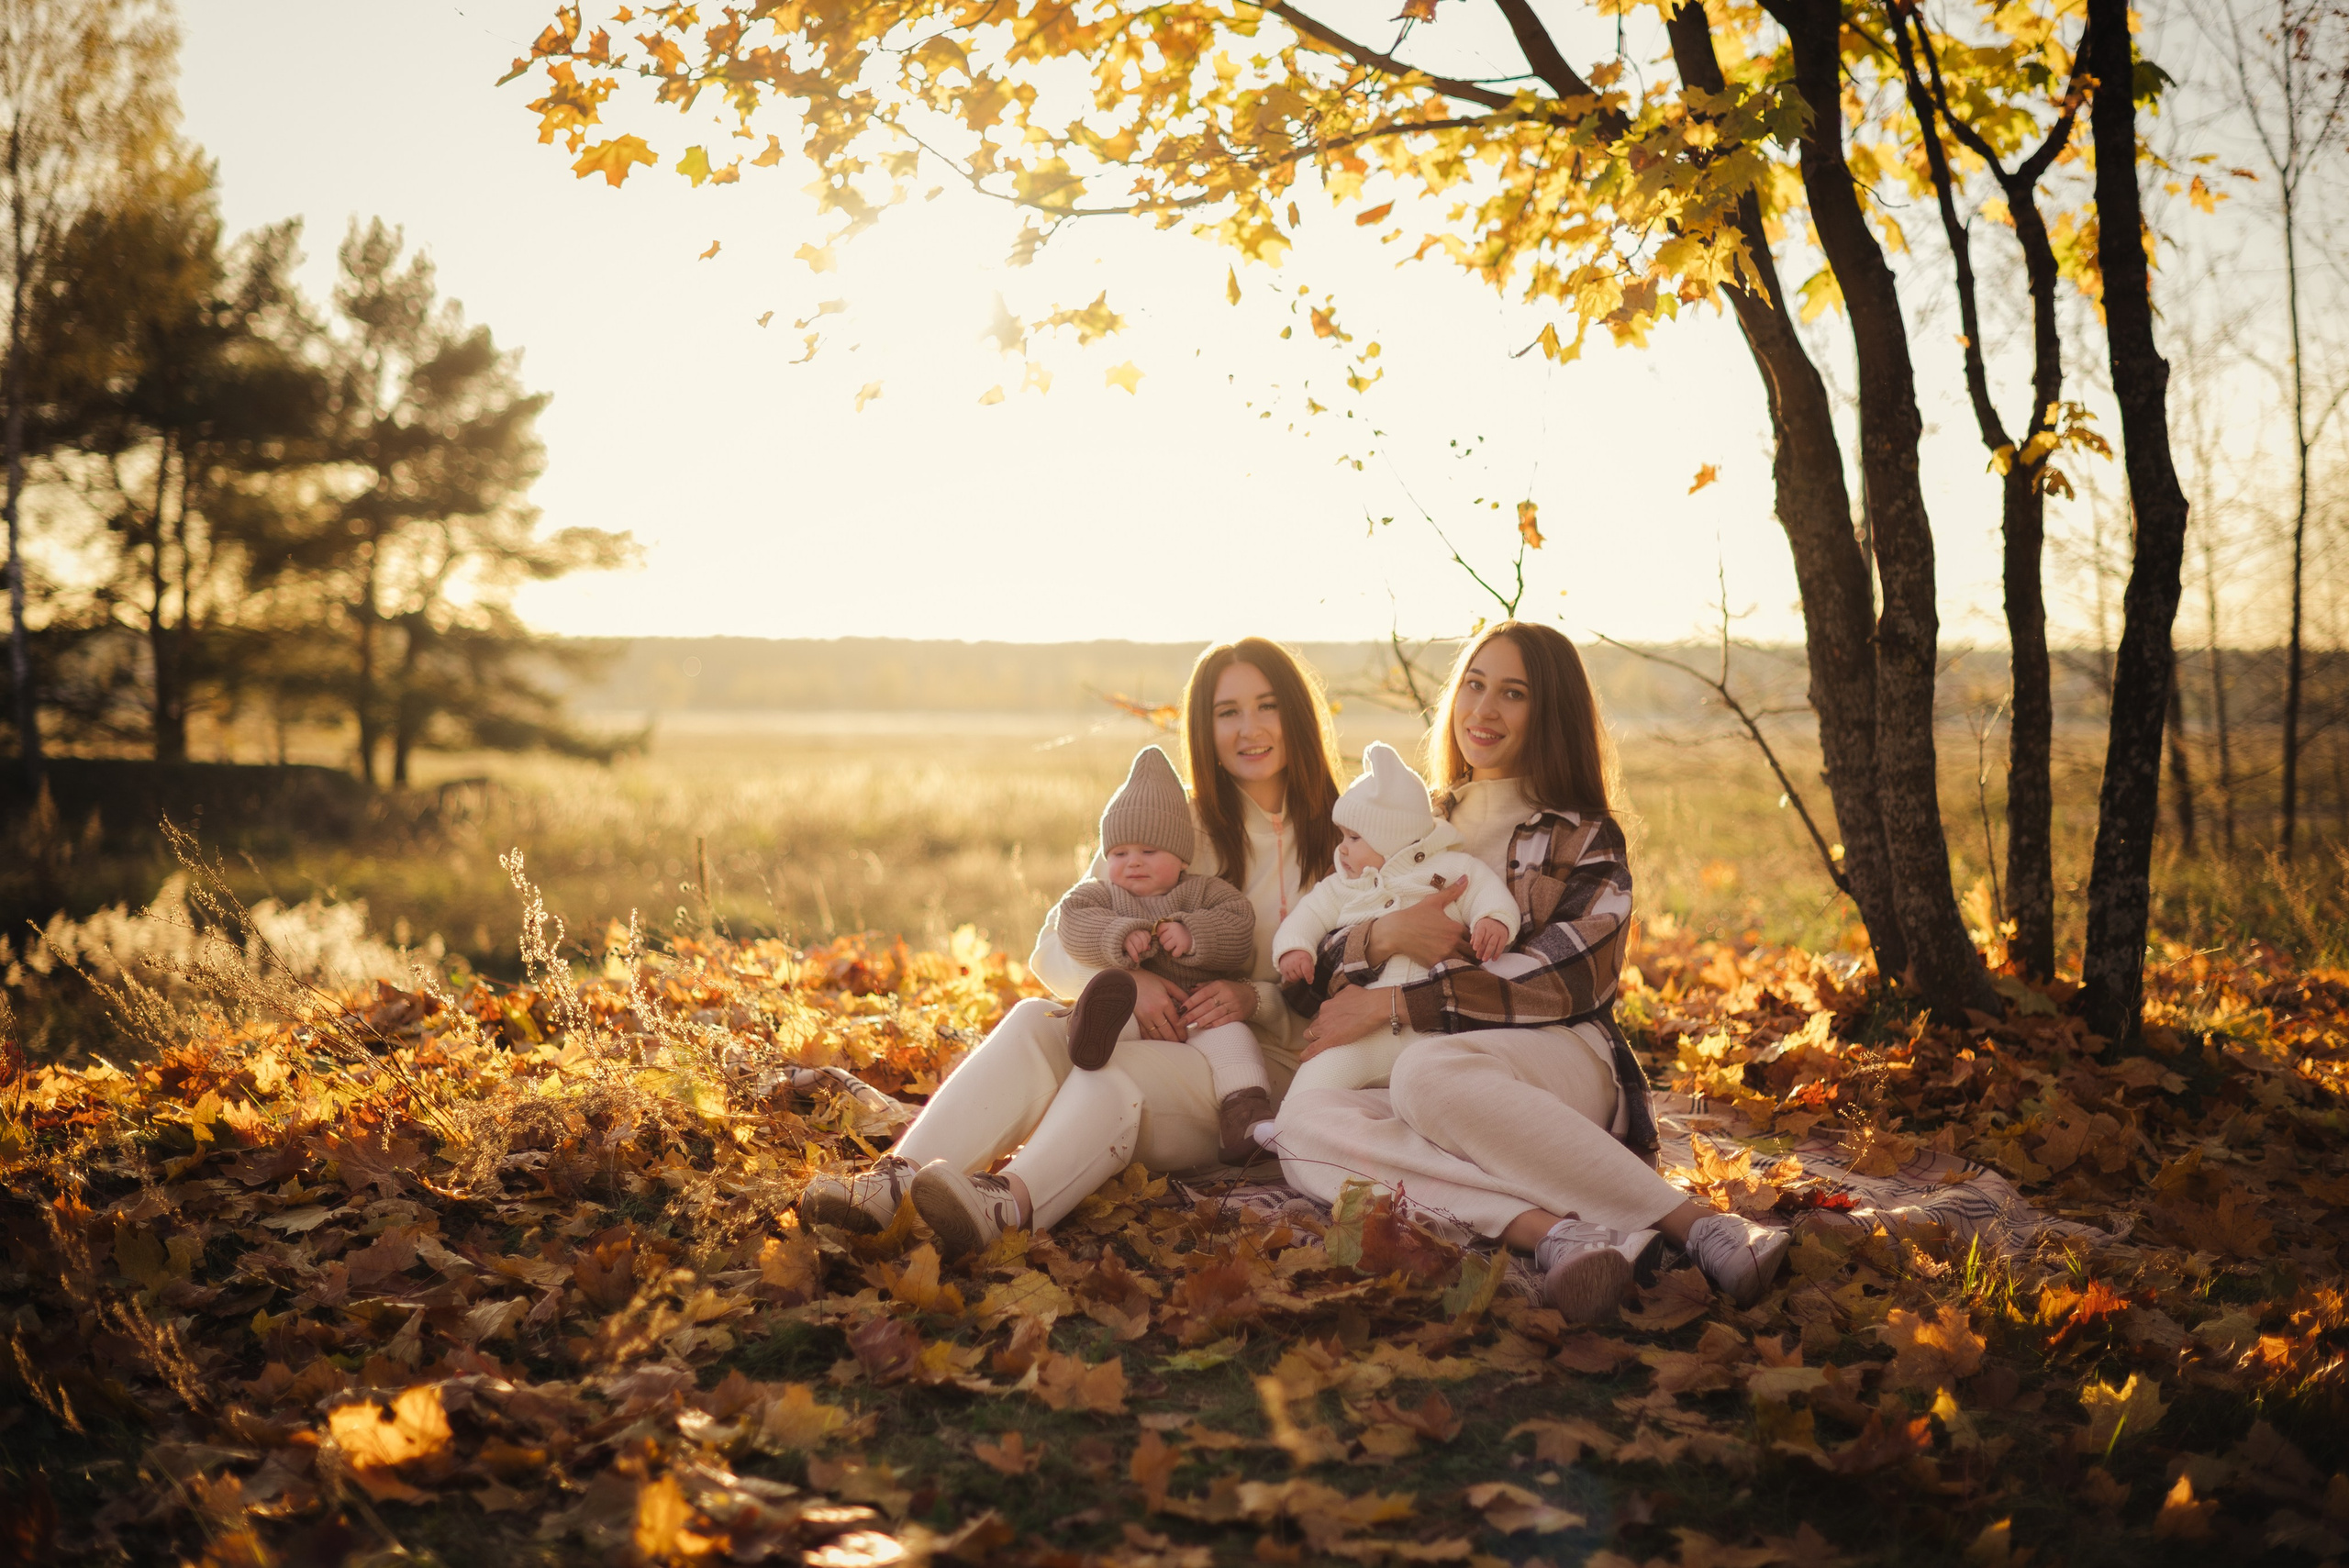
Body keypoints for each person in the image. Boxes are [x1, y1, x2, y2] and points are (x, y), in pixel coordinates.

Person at [1272, 622, 1789, 1322]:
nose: (1483, 710)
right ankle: (1563, 1237)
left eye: (1512, 694)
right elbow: (1312, 973)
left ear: (1549, 713)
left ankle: (1699, 1225)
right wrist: (1386, 933)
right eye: (1474, 686)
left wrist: (1397, 1003)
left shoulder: (1583, 834)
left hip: (1559, 1056)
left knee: (1427, 1076)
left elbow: (1565, 978)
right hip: (1418, 1061)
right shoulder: (1412, 824)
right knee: (1303, 1122)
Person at [795, 637, 1342, 1260]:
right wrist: (1127, 978)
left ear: (1298, 712)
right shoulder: (1169, 821)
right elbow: (1054, 948)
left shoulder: (1346, 834)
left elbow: (1350, 981)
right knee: (1034, 1018)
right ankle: (890, 1182)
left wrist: (1255, 999)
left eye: (1267, 705)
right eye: (1227, 711)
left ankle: (1004, 1205)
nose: (1249, 729)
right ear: (1204, 726)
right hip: (1158, 1034)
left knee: (1110, 1075)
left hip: (1259, 1077)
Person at [1260, 740, 1520, 1125]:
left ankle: (1411, 1148)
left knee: (1439, 1095)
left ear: (1393, 837)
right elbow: (1307, 916)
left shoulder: (1449, 867)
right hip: (1365, 1027)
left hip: (1434, 1026)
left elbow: (1484, 889)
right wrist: (1294, 950)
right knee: (1323, 1071)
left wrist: (1493, 920)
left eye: (1354, 838)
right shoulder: (1342, 885)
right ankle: (1291, 1129)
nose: (1342, 849)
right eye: (1342, 836)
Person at [1047, 746, 1271, 1165]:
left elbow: (1240, 926)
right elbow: (1073, 921)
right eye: (1119, 854)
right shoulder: (1101, 895)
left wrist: (1194, 933)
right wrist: (1117, 934)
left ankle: (1245, 1117)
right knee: (1111, 1013)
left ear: (1181, 856)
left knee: (1235, 1041)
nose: (1132, 863)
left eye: (1149, 852)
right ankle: (1091, 1032)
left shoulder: (1204, 892)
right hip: (1130, 1011)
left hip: (1198, 1009)